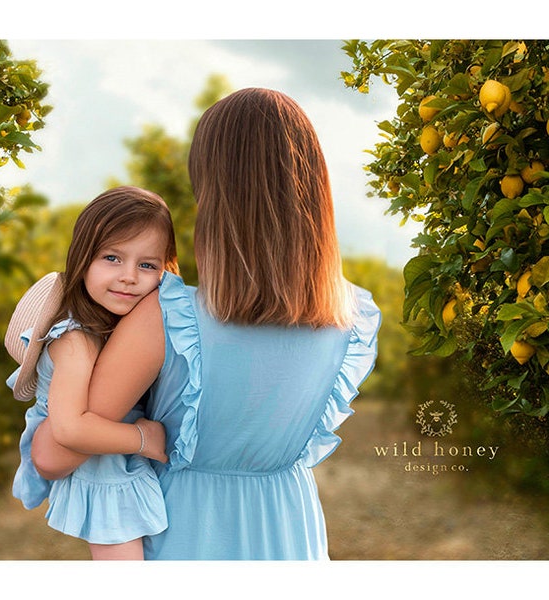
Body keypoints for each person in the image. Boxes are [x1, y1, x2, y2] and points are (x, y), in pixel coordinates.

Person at [33, 88, 382, 560]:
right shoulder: (353, 319)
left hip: (189, 537)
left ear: (215, 192)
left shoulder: (167, 317)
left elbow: (54, 456)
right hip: (290, 534)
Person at [5, 186, 177, 560]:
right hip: (102, 469)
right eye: (112, 258)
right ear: (83, 259)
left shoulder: (113, 326)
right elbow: (69, 430)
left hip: (109, 457)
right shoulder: (76, 340)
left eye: (147, 265)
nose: (129, 276)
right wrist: (143, 438)